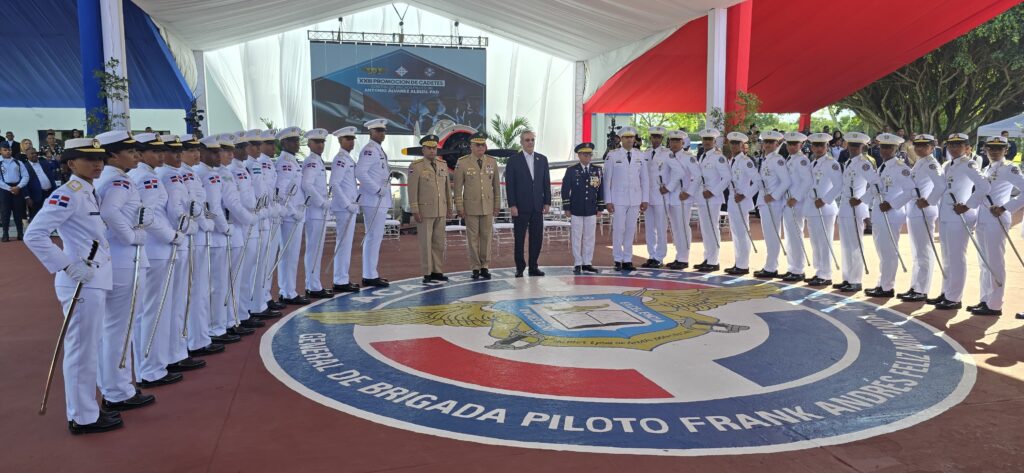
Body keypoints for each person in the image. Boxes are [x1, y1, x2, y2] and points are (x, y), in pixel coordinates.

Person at [23, 137, 120, 434]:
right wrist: (67, 264)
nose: (97, 163)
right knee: (81, 350)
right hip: (80, 281)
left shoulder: (88, 192)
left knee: (90, 346)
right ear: (69, 164)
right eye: (87, 158)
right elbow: (34, 234)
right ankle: (82, 416)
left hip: (94, 278)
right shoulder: (67, 195)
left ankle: (88, 408)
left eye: (100, 158)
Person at [92, 130, 158, 413]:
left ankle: (115, 386)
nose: (135, 155)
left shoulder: (112, 178)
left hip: (118, 260)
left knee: (115, 329)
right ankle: (118, 391)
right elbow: (109, 213)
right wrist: (131, 236)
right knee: (119, 329)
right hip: (124, 259)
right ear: (113, 155)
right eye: (129, 151)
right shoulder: (119, 180)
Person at [156, 134, 208, 371]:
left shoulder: (179, 174)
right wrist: (193, 226)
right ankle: (173, 352)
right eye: (177, 151)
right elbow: (176, 213)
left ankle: (177, 349)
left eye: (183, 151)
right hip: (176, 241)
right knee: (174, 301)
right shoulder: (168, 176)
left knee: (179, 300)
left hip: (181, 241)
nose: (185, 155)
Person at [925, 133, 989, 310]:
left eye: (958, 145)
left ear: (967, 148)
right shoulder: (946, 165)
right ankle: (946, 292)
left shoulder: (969, 164)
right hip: (946, 215)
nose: (953, 148)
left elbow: (984, 186)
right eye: (951, 145)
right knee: (947, 258)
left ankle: (954, 297)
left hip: (960, 216)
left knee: (956, 257)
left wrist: (968, 205)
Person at [193, 135, 246, 342]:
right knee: (215, 285)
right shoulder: (206, 174)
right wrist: (226, 229)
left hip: (218, 235)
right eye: (215, 152)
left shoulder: (212, 173)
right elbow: (214, 207)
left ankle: (225, 323)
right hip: (214, 236)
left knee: (222, 284)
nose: (222, 155)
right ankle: (216, 327)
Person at [964, 136, 1024, 316]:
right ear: (985, 149)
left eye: (999, 148)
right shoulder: (987, 168)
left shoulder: (1009, 168)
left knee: (995, 262)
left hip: (997, 219)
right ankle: (985, 299)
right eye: (991, 148)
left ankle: (995, 304)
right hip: (983, 218)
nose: (995, 151)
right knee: (984, 262)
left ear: (1006, 150)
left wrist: (1006, 207)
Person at [864, 133, 914, 298]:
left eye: (888, 147)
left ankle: (887, 287)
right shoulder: (882, 166)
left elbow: (910, 191)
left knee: (888, 251)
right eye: (882, 147)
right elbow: (875, 188)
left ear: (895, 148)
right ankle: (882, 283)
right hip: (879, 213)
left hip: (891, 214)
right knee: (881, 250)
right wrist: (861, 201)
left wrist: (892, 204)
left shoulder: (901, 168)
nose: (884, 150)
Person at [898, 134, 942, 302]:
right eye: (917, 145)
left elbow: (940, 185)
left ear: (932, 147)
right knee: (917, 252)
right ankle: (915, 286)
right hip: (915, 211)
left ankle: (922, 289)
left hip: (923, 212)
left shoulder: (931, 164)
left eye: (924, 145)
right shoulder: (920, 162)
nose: (919, 148)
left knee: (924, 251)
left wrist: (929, 201)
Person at [453, 132, 500, 279]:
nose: (481, 147)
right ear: (471, 146)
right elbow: (458, 187)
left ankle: (485, 266)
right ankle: (475, 267)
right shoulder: (463, 162)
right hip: (470, 207)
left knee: (486, 237)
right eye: (477, 145)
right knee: (472, 238)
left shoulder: (492, 162)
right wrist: (459, 207)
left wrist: (497, 204)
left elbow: (496, 186)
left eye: (483, 144)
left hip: (487, 206)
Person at [603, 126, 650, 271]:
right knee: (619, 229)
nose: (629, 140)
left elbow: (645, 179)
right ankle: (617, 259)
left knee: (631, 229)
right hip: (618, 198)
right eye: (626, 137)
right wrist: (608, 200)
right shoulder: (613, 155)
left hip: (635, 198)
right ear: (620, 139)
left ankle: (628, 259)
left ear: (634, 139)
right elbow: (607, 179)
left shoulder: (639, 155)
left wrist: (645, 198)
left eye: (631, 137)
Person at [505, 130, 551, 277]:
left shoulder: (542, 159)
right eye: (527, 140)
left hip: (537, 206)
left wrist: (547, 202)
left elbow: (546, 183)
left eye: (532, 140)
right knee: (519, 239)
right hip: (520, 207)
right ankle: (520, 267)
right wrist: (512, 205)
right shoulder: (513, 161)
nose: (530, 142)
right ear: (521, 142)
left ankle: (533, 267)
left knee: (536, 238)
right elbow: (509, 185)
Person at [408, 134, 453, 283]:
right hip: (425, 211)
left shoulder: (442, 165)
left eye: (434, 148)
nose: (433, 151)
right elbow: (412, 190)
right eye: (429, 148)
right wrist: (415, 209)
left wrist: (449, 208)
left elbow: (447, 189)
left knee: (439, 243)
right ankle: (427, 272)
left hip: (440, 210)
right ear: (423, 149)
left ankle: (437, 271)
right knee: (426, 243)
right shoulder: (416, 166)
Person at [355, 119, 393, 287]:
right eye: (378, 131)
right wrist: (377, 189)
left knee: (375, 237)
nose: (381, 134)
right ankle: (369, 275)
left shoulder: (378, 149)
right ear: (371, 132)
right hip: (373, 200)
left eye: (383, 131)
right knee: (372, 237)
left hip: (379, 200)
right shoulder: (369, 150)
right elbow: (360, 172)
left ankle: (371, 273)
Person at [274, 126, 310, 302]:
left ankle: (288, 289)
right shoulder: (285, 164)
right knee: (289, 254)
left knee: (292, 254)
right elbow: (280, 193)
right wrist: (292, 212)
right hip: (290, 216)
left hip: (296, 214)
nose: (297, 144)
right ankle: (288, 292)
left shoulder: (292, 161)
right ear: (283, 143)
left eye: (297, 140)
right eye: (293, 141)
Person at [834, 132, 873, 293]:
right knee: (846, 245)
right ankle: (847, 278)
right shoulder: (849, 162)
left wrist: (862, 199)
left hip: (855, 209)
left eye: (857, 146)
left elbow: (875, 184)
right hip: (845, 209)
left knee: (855, 245)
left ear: (862, 147)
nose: (853, 148)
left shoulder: (865, 164)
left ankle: (855, 280)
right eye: (851, 145)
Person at [802, 133, 842, 287]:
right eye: (815, 145)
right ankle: (819, 271)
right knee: (815, 242)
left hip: (824, 208)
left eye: (821, 145)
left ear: (826, 147)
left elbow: (839, 185)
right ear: (811, 147)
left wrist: (825, 200)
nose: (818, 148)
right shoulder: (813, 164)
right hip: (812, 208)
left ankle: (825, 274)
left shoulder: (832, 163)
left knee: (824, 241)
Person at [752, 131, 791, 278]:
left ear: (777, 144)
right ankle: (769, 265)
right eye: (765, 142)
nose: (767, 145)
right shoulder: (767, 159)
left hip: (772, 203)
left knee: (772, 235)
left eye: (771, 142)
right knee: (769, 235)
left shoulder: (777, 159)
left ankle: (771, 267)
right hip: (765, 202)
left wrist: (774, 196)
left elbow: (786, 181)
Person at [301, 128, 333, 298]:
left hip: (319, 212)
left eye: (322, 142)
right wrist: (321, 202)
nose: (320, 145)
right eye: (317, 142)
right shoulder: (312, 162)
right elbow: (307, 184)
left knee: (317, 250)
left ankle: (314, 283)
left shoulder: (317, 161)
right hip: (315, 212)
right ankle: (313, 286)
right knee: (314, 250)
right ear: (309, 144)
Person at [562, 142, 603, 274]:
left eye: (589, 154)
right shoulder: (572, 170)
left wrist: (600, 206)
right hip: (576, 208)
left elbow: (600, 189)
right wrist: (567, 207)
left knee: (590, 237)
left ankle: (587, 262)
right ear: (579, 155)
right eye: (585, 154)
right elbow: (565, 190)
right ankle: (577, 262)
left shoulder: (597, 170)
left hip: (591, 208)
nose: (588, 157)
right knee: (576, 236)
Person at [329, 127, 361, 293]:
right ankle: (340, 280)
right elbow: (334, 184)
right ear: (340, 141)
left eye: (352, 139)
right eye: (347, 139)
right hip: (344, 208)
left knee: (346, 244)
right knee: (343, 243)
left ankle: (343, 277)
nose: (351, 141)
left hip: (349, 207)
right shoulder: (340, 159)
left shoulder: (348, 158)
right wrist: (347, 204)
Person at [692, 128, 729, 272]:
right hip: (702, 198)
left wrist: (713, 192)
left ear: (714, 141)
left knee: (712, 229)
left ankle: (714, 261)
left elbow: (726, 178)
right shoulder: (702, 156)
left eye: (709, 140)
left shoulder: (718, 157)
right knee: (705, 229)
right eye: (705, 139)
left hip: (712, 199)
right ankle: (707, 257)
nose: (706, 142)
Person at [257, 130, 286, 312]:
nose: (272, 147)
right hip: (264, 217)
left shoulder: (269, 163)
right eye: (268, 143)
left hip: (273, 216)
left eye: (272, 143)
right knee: (264, 261)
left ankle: (266, 295)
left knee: (269, 259)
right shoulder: (260, 164)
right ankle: (262, 298)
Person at [723, 132, 758, 275]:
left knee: (742, 233)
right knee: (736, 234)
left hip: (741, 202)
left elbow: (758, 181)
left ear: (742, 145)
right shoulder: (732, 160)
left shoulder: (745, 161)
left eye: (737, 143)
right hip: (733, 202)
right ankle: (738, 262)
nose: (734, 146)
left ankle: (743, 265)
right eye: (732, 143)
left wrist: (745, 195)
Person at [662, 130, 697, 270]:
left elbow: (698, 176)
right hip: (671, 198)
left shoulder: (688, 157)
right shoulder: (668, 156)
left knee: (682, 227)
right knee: (675, 229)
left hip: (683, 197)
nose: (674, 143)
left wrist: (689, 192)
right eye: (672, 141)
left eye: (677, 141)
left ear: (683, 143)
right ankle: (679, 256)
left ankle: (684, 258)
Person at [781, 132, 811, 282]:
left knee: (795, 234)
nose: (791, 147)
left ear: (801, 145)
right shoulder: (790, 159)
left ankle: (798, 269)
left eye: (795, 144)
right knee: (790, 236)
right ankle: (792, 267)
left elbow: (807, 181)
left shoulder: (801, 160)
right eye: (789, 144)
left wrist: (796, 198)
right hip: (788, 202)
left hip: (796, 203)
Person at [641, 126, 668, 268]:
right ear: (650, 138)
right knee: (649, 227)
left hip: (660, 194)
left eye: (658, 137)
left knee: (661, 226)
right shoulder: (645, 153)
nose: (655, 139)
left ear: (662, 139)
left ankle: (660, 256)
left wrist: (668, 186)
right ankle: (651, 255)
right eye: (653, 137)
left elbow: (675, 171)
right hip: (647, 195)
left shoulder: (667, 153)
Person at [1, 141, 30, 241]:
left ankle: (20, 233)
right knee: (5, 212)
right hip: (4, 189)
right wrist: (10, 189)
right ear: (0, 151)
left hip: (18, 188)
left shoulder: (18, 162)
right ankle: (5, 234)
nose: (8, 152)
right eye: (5, 150)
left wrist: (18, 187)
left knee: (18, 212)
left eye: (9, 150)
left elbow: (26, 176)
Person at [24, 147, 58, 220]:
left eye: (35, 153)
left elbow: (55, 165)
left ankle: (51, 230)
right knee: (37, 217)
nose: (35, 155)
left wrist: (51, 156)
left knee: (51, 214)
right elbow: (24, 184)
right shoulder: (25, 167)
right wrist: (27, 197)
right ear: (27, 155)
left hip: (50, 193)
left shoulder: (44, 162)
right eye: (32, 153)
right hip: (36, 196)